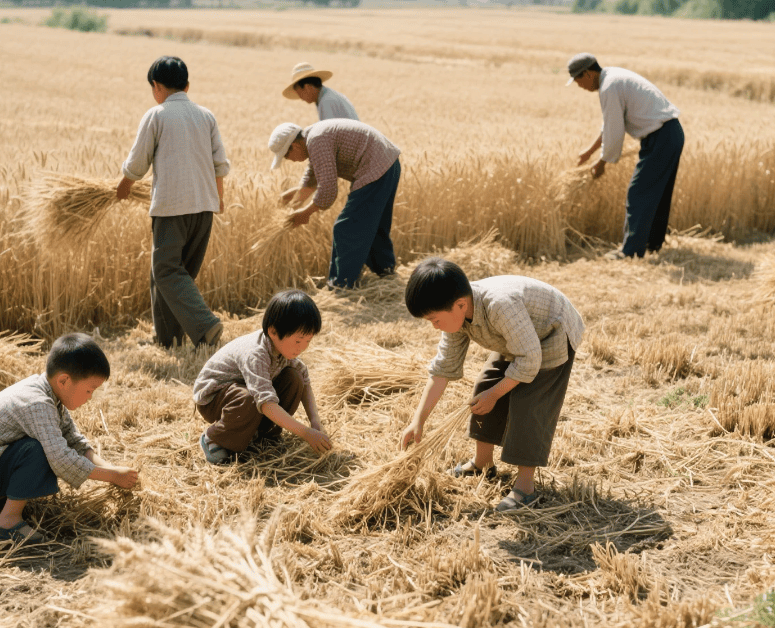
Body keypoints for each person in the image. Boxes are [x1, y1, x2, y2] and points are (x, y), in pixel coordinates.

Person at [399, 258, 585, 512]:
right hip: (519, 338)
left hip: (551, 333)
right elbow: (442, 370)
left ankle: (526, 488)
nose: (434, 327)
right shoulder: (457, 313)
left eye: (435, 320)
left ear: (460, 304)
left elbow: (530, 359)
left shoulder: (499, 306)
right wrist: (418, 420)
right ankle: (482, 464)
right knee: (484, 385)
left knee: (529, 405)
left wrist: (495, 395)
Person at [0, 333, 139, 544]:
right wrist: (112, 476)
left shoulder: (49, 394)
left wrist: (112, 469)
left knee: (43, 444)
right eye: (89, 390)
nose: (90, 397)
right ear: (64, 381)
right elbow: (61, 458)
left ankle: (3, 502)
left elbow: (74, 440)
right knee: (38, 450)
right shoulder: (37, 403)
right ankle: (7, 523)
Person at [117, 55, 230, 349]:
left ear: (156, 86)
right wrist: (219, 198)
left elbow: (138, 162)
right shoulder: (206, 116)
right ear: (187, 86)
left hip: (172, 209)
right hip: (204, 207)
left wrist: (124, 186)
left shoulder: (157, 115)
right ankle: (169, 341)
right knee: (178, 276)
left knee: (166, 271)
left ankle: (206, 325)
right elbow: (220, 164)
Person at [193, 290, 332, 464]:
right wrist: (306, 433)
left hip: (242, 395)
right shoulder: (256, 354)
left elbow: (305, 381)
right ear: (273, 331)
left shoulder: (284, 351)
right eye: (298, 341)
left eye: (308, 341)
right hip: (214, 400)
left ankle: (263, 433)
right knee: (251, 398)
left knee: (294, 378)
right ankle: (214, 437)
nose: (302, 348)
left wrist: (315, 422)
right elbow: (265, 403)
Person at [569, 52, 685, 260]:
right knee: (658, 193)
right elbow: (610, 124)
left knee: (638, 192)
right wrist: (589, 152)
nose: (580, 87)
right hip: (670, 133)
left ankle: (630, 251)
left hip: (660, 138)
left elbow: (614, 130)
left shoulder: (609, 87)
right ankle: (652, 245)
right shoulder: (613, 77)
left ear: (587, 74)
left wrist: (602, 162)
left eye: (578, 81)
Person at [268, 119, 401, 289]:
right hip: (389, 164)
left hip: (375, 169)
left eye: (286, 156)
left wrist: (306, 213)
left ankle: (341, 286)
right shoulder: (314, 138)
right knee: (373, 226)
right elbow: (311, 180)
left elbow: (328, 189)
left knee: (345, 228)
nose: (290, 160)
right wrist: (294, 200)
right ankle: (386, 274)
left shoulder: (316, 140)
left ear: (294, 146)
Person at [282, 62, 360, 122]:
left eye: (300, 93)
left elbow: (330, 135)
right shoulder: (329, 96)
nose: (301, 98)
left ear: (307, 87)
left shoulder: (327, 101)